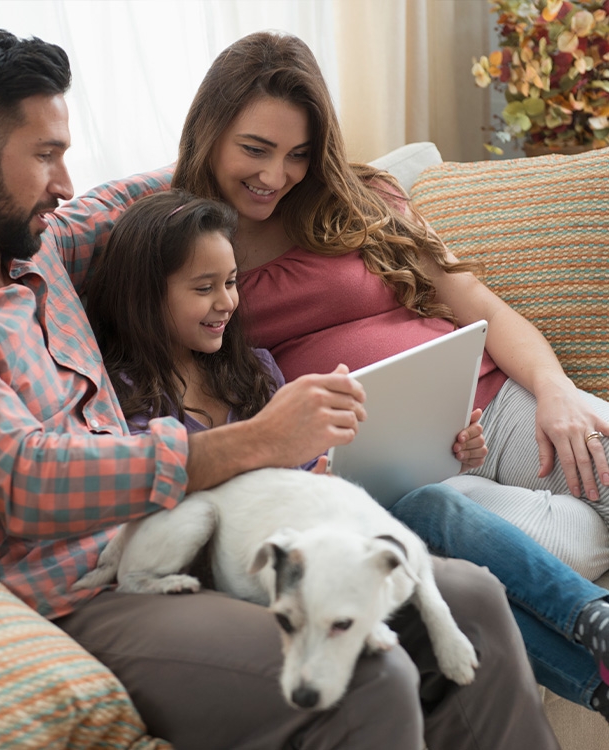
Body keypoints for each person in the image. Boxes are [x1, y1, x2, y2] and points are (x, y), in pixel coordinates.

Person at [0, 28, 558, 750]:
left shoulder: (43, 246)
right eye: (44, 156)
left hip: (193, 533)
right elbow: (23, 475)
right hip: (91, 594)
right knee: (363, 679)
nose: (64, 182)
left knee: (468, 599)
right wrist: (256, 439)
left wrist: (284, 162)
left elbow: (179, 178)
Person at [170, 29, 609, 718]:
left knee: (597, 464)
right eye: (255, 150)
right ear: (208, 133)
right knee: (573, 548)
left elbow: (479, 305)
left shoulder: (361, 197)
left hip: (492, 406)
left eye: (298, 155)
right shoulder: (183, 243)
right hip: (401, 483)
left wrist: (555, 392)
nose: (275, 175)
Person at [87, 178, 609, 721]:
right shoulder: (125, 401)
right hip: (267, 558)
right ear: (148, 295)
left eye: (233, 282)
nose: (227, 303)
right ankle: (593, 628)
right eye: (204, 288)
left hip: (330, 521)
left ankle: (597, 659)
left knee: (436, 506)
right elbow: (158, 490)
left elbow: (301, 472)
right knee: (445, 567)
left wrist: (419, 452)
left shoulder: (253, 369)